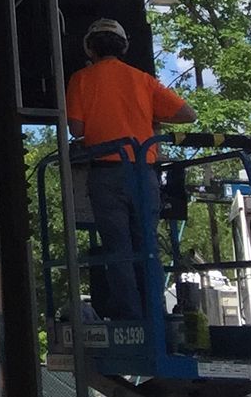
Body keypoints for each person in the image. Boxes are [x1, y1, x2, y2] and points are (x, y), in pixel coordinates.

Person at [64, 17, 193, 322]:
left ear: (89, 47)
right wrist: (151, 120)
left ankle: (131, 318)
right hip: (143, 172)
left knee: (117, 249)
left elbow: (76, 127)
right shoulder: (142, 79)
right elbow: (188, 114)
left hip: (106, 173)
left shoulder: (81, 79)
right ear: (123, 47)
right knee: (147, 246)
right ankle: (155, 316)